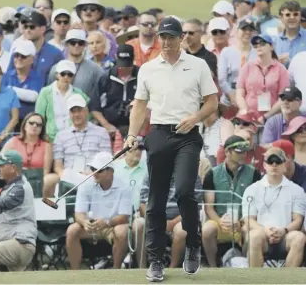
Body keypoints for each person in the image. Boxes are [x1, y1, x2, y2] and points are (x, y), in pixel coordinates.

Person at [124, 17, 218, 281]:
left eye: (171, 37)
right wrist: (132, 135)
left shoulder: (198, 65)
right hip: (159, 134)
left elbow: (212, 102)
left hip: (188, 135)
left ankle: (192, 243)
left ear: (181, 39)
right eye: (162, 37)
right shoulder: (148, 68)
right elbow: (140, 106)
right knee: (155, 201)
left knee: (186, 191)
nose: (166, 42)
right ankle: (155, 261)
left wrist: (195, 118)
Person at [201, 135, 261, 267]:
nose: (243, 155)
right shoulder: (212, 174)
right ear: (227, 152)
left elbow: (256, 205)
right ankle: (213, 267)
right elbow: (209, 207)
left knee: (248, 231)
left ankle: (246, 265)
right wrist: (219, 221)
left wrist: (242, 221)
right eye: (239, 152)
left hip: (244, 220)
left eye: (245, 151)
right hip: (220, 220)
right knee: (207, 229)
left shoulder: (254, 173)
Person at [66, 152, 132, 270]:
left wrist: (106, 222)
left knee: (122, 230)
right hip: (90, 226)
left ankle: (116, 270)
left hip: (111, 226)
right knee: (72, 230)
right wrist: (84, 222)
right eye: (93, 169)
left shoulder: (124, 187)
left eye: (99, 170)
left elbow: (124, 217)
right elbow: (79, 213)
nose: (94, 173)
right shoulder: (85, 184)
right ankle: (74, 273)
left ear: (110, 171)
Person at [242, 147, 306, 267]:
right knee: (254, 235)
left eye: (278, 161)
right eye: (270, 161)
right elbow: (248, 219)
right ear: (264, 165)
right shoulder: (252, 189)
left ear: (284, 165)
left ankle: (287, 281)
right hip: (262, 236)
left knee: (299, 237)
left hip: (286, 236)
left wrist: (284, 230)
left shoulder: (297, 190)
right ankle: (254, 279)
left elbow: (298, 219)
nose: (274, 165)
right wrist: (265, 230)